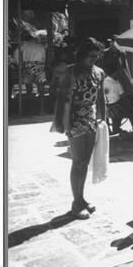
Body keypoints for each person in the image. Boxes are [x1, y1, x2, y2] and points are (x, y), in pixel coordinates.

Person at [53, 37, 106, 220]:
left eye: (97, 56)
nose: (94, 59)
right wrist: (60, 123)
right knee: (77, 162)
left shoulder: (99, 72)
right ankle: (76, 203)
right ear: (82, 55)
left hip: (90, 120)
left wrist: (103, 119)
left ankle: (81, 198)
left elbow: (100, 97)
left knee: (84, 162)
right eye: (91, 56)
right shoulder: (71, 72)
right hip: (74, 120)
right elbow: (61, 98)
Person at [13, 31, 47, 114]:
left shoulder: (23, 44)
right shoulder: (40, 46)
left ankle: (30, 109)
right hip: (39, 65)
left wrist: (20, 65)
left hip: (28, 65)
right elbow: (44, 57)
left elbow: (16, 54)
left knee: (29, 88)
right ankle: (42, 109)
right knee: (41, 87)